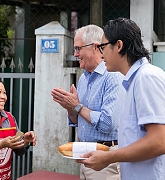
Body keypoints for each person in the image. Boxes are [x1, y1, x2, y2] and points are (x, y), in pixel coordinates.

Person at [77, 17, 165, 180]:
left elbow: (159, 142)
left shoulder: (146, 77)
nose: (101, 53)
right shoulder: (133, 80)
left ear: (119, 46)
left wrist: (108, 157)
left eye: (103, 47)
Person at [51, 25, 125, 180]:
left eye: (78, 48)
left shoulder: (112, 76)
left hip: (106, 157)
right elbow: (77, 120)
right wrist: (70, 108)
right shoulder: (84, 78)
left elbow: (107, 123)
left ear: (95, 48)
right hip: (85, 157)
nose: (75, 54)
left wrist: (77, 106)